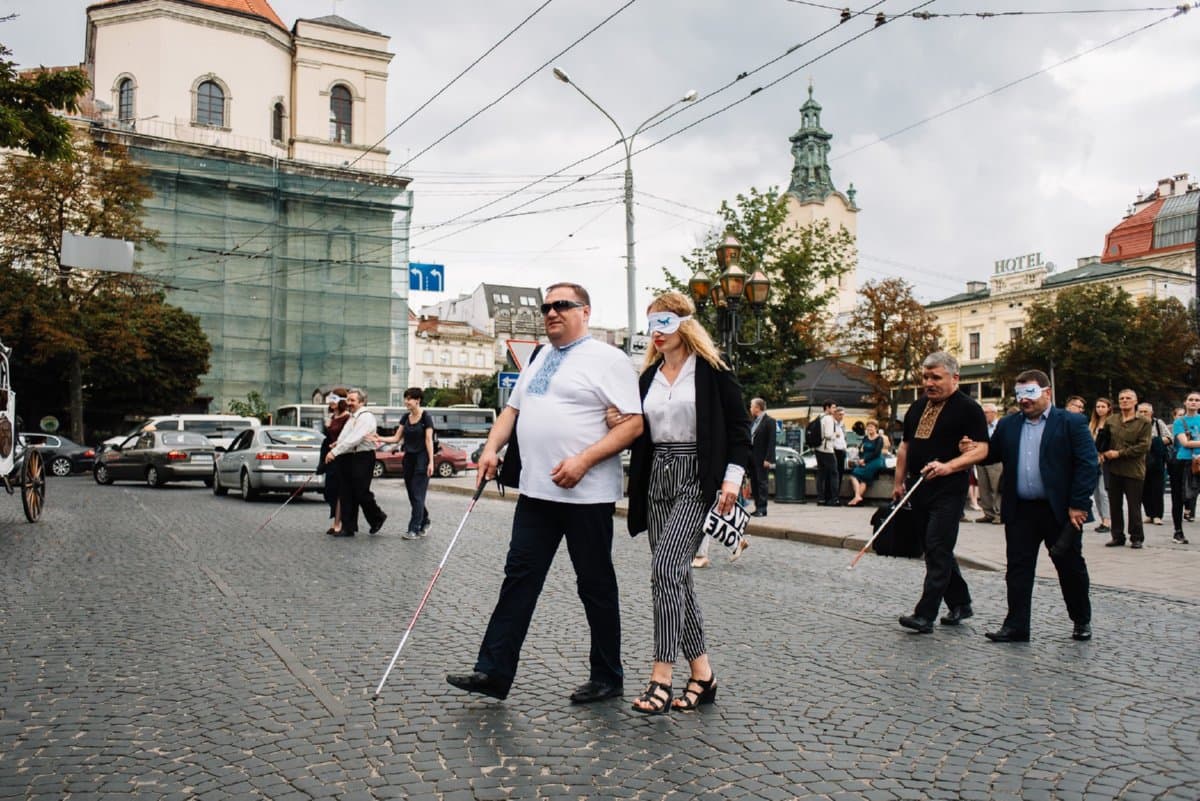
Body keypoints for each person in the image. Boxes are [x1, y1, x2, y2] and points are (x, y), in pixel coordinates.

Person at [446, 283, 643, 703]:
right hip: (536, 492)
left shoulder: (610, 360)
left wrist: (584, 460)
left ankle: (608, 676)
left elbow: (633, 424)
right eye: (547, 306)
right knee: (518, 579)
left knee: (594, 585)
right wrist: (490, 448)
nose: (551, 312)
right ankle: (493, 672)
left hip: (586, 494)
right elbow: (512, 411)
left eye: (562, 305)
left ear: (585, 312)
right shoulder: (538, 357)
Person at [624, 291, 750, 714]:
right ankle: (704, 674)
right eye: (651, 324)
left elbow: (739, 428)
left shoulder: (713, 372)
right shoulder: (647, 379)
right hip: (657, 477)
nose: (656, 333)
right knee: (677, 577)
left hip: (698, 477)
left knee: (665, 568)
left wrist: (732, 479)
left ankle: (662, 675)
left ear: (684, 324)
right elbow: (638, 430)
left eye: (664, 322)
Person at [981, 370, 1097, 643]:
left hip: (1060, 511)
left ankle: (1081, 620)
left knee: (1069, 566)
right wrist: (970, 447)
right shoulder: (1008, 425)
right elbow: (991, 453)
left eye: (1030, 393)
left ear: (1047, 393)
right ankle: (1016, 625)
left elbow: (1088, 464)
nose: (1024, 400)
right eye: (1019, 394)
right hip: (1021, 510)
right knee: (1018, 569)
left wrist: (1079, 504)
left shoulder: (1071, 422)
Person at [892, 352, 989, 635]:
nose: (929, 383)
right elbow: (905, 448)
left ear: (954, 377)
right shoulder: (917, 407)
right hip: (917, 488)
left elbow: (982, 449)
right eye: (925, 377)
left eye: (936, 377)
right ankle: (961, 602)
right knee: (936, 548)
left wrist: (948, 467)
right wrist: (898, 484)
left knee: (936, 546)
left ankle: (925, 615)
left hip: (949, 490)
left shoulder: (969, 408)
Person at [323, 388, 387, 537]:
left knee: (361, 491)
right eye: (348, 400)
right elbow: (346, 436)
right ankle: (348, 527)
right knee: (346, 491)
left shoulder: (366, 417)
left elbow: (355, 438)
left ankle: (377, 517)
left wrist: (334, 452)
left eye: (352, 400)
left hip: (363, 457)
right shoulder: (352, 417)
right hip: (349, 457)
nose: (349, 403)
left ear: (362, 402)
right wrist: (337, 444)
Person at [375, 387, 435, 539]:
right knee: (412, 494)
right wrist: (379, 438)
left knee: (417, 495)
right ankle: (425, 519)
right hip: (408, 459)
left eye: (409, 399)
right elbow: (396, 438)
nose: (406, 402)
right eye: (405, 398)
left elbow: (429, 440)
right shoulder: (405, 417)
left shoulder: (426, 417)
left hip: (422, 459)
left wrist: (431, 462)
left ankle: (413, 529)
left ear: (418, 400)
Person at [1100, 389, 1151, 549]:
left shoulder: (1143, 422)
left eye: (1128, 398)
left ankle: (1136, 537)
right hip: (1114, 469)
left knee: (1133, 506)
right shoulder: (1111, 420)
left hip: (1133, 470)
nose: (1124, 400)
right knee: (1115, 505)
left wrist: (1119, 453)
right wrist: (1102, 451)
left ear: (1135, 401)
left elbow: (1143, 446)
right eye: (1121, 398)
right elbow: (1104, 440)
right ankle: (1117, 536)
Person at [317, 389, 350, 535]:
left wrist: (336, 445)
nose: (330, 401)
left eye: (333, 398)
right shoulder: (332, 417)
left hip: (342, 458)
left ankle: (338, 523)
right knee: (329, 491)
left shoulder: (347, 418)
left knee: (339, 491)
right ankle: (337, 520)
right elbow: (327, 437)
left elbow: (347, 437)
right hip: (330, 457)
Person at [1169, 393, 1200, 544]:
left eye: (1197, 400)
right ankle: (1178, 531)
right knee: (1179, 497)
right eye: (1191, 400)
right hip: (1184, 462)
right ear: (1185, 403)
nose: (1194, 403)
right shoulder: (1179, 421)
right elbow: (1185, 443)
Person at [1137, 402, 1171, 527]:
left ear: (1151, 413)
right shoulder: (1134, 423)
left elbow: (1169, 437)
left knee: (1157, 488)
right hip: (1140, 460)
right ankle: (1148, 514)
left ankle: (1157, 515)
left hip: (1156, 459)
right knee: (1143, 488)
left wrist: (1153, 441)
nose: (1143, 414)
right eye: (1140, 411)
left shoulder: (1158, 423)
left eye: (1146, 411)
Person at [847, 419, 889, 506]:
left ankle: (856, 498)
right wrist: (861, 459)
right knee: (858, 477)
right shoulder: (866, 438)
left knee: (859, 476)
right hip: (865, 460)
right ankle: (857, 497)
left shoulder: (879, 439)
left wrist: (865, 460)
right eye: (868, 427)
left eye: (872, 427)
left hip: (875, 460)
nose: (870, 429)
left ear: (876, 428)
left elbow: (876, 452)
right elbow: (861, 450)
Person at [974, 403, 1003, 524]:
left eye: (985, 413)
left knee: (996, 487)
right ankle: (988, 513)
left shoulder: (1000, 426)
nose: (983, 415)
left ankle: (999, 514)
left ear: (994, 413)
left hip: (995, 461)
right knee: (983, 487)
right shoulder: (981, 427)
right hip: (981, 460)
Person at [747, 397, 776, 517]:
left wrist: (768, 459)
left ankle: (763, 508)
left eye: (751, 406)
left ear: (757, 408)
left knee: (762, 482)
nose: (750, 408)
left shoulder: (769, 421)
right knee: (754, 483)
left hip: (762, 458)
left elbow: (771, 441)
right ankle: (757, 506)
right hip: (752, 457)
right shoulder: (753, 421)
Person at [1089, 398, 1114, 534]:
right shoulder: (1092, 424)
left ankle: (1107, 520)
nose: (1100, 409)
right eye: (1098, 406)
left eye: (1103, 406)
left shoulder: (1112, 423)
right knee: (1096, 493)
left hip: (1106, 461)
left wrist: (1104, 455)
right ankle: (1102, 518)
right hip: (1094, 460)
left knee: (1103, 491)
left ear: (1109, 408)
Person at [814, 400, 839, 506]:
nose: (835, 409)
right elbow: (828, 435)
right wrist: (836, 434)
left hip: (818, 448)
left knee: (821, 474)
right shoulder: (829, 418)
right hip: (827, 449)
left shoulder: (819, 417)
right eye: (833, 407)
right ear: (827, 408)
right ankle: (834, 499)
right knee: (834, 473)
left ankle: (821, 498)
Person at [832, 407, 848, 496]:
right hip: (834, 450)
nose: (842, 416)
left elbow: (844, 438)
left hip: (842, 450)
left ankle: (837, 494)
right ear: (835, 414)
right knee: (834, 473)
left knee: (840, 472)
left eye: (843, 414)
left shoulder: (842, 424)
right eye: (840, 414)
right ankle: (833, 495)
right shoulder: (832, 424)